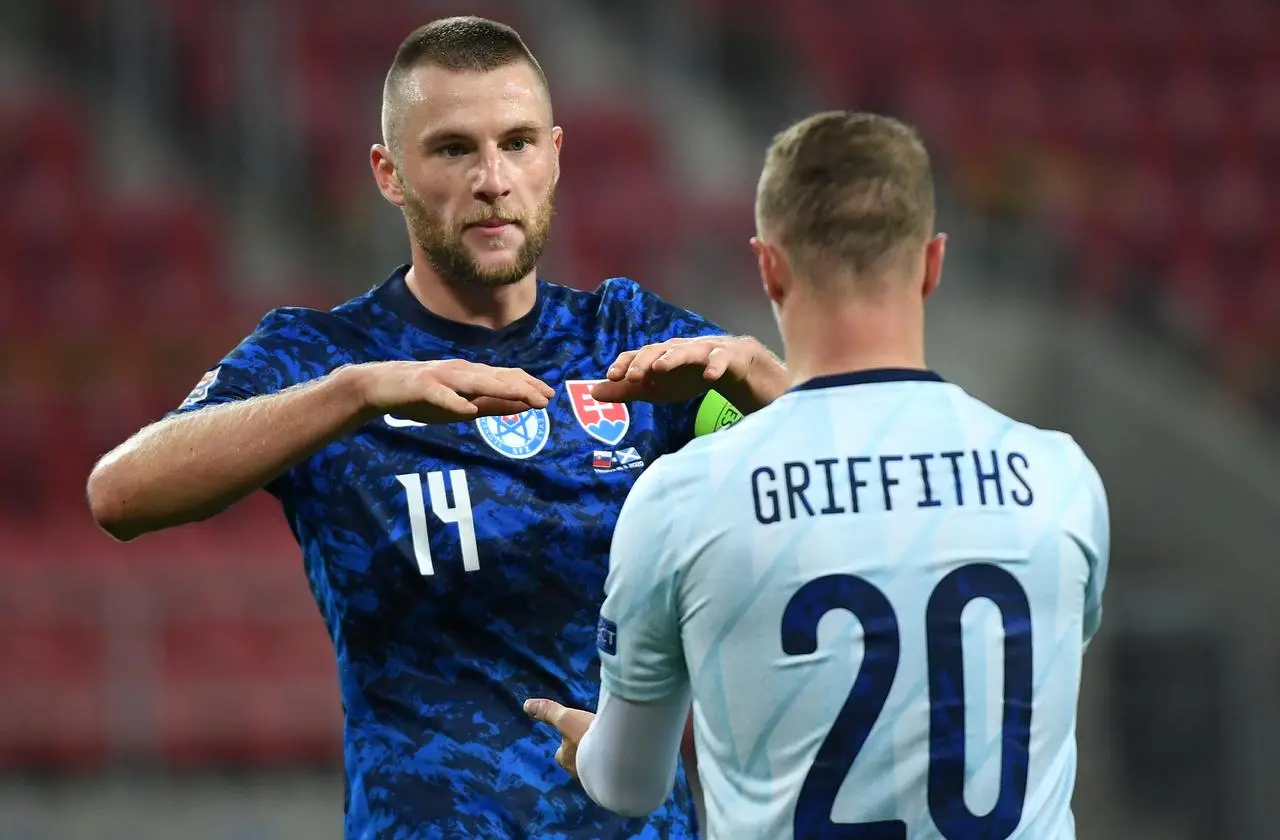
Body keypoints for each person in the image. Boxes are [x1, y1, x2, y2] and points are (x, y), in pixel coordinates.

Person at [86, 15, 789, 840]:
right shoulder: (326, 358)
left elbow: (826, 484)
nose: (494, 178)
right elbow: (120, 493)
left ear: (556, 153)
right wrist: (354, 395)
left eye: (519, 143)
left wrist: (766, 378)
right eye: (454, 149)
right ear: (389, 173)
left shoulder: (626, 337)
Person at [525, 111, 1111, 840]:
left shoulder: (684, 499)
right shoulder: (1059, 482)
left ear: (768, 265)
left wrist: (588, 750)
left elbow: (629, 784)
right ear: (932, 262)